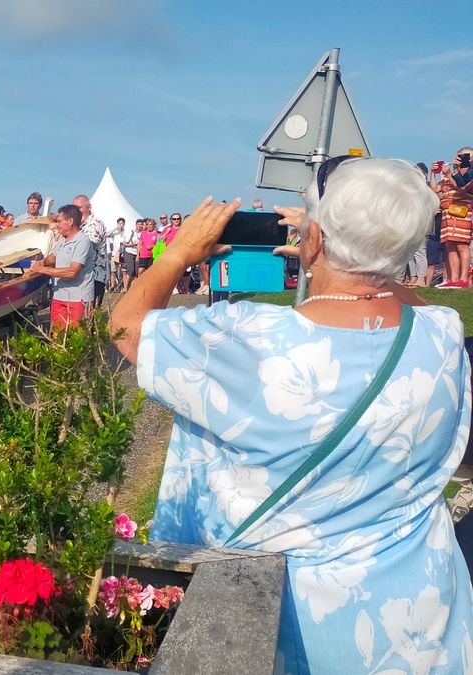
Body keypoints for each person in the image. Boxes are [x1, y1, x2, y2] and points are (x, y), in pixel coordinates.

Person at [110, 158, 471, 673]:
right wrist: (360, 249)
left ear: (314, 238)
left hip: (295, 622)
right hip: (424, 620)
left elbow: (126, 326)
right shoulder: (441, 334)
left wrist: (181, 251)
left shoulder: (248, 339)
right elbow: (405, 299)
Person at [31, 204, 96, 330]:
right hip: (59, 295)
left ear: (70, 221)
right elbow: (54, 256)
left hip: (79, 298)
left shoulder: (82, 241)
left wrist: (42, 269)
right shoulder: (62, 238)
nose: (57, 224)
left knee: (77, 336)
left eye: (59, 221)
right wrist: (43, 262)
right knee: (57, 334)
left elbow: (72, 272)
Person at [435, 147, 473, 288]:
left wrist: (450, 175)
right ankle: (453, 278)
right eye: (460, 156)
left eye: (467, 156)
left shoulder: (471, 172)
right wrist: (453, 171)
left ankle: (463, 279)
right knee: (450, 245)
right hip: (449, 214)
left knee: (462, 245)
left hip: (463, 212)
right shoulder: (458, 172)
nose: (463, 159)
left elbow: (462, 189)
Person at [72, 195, 108, 307]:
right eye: (74, 208)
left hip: (94, 276)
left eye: (79, 208)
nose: (76, 211)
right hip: (81, 276)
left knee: (90, 312)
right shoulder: (78, 226)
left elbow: (88, 245)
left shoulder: (95, 223)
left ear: (89, 207)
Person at [121, 217, 139, 291]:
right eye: (138, 224)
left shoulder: (143, 233)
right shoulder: (132, 233)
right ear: (136, 225)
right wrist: (133, 245)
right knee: (130, 270)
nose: (140, 226)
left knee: (136, 271)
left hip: (137, 253)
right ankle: (125, 287)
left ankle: (132, 288)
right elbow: (125, 243)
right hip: (129, 252)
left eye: (141, 224)